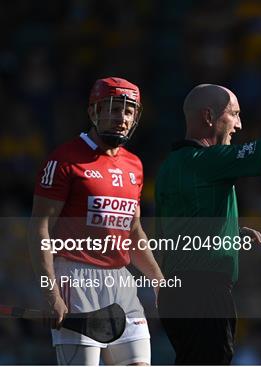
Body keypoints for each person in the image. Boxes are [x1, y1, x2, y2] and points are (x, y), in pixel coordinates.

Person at [156, 46, 261, 364]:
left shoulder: (171, 166)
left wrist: (228, 232)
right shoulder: (206, 161)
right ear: (209, 117)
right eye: (233, 114)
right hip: (203, 293)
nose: (239, 125)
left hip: (177, 291)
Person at [28, 77, 164, 365]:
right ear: (93, 112)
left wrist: (158, 280)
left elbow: (133, 230)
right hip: (75, 280)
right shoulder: (64, 160)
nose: (121, 118)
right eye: (113, 109)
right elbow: (40, 228)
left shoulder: (134, 165)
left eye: (128, 111)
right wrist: (51, 292)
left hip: (121, 282)